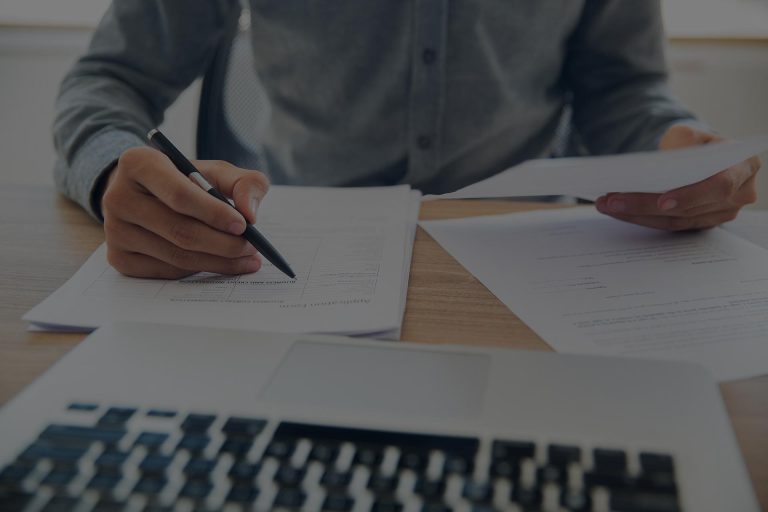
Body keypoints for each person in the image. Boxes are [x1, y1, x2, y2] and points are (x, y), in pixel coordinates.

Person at [53, 1, 761, 279]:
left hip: (534, 262)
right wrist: (114, 169)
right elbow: (107, 81)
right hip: (301, 259)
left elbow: (621, 87)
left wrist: (676, 149)